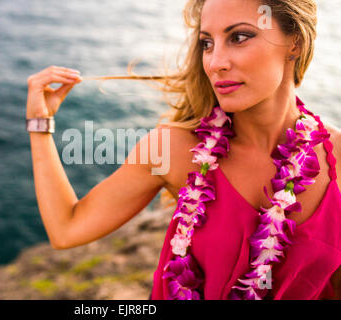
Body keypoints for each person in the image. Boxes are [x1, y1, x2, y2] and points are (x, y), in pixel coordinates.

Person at [25, 0, 341, 300]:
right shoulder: (176, 150)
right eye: (207, 43)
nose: (216, 62)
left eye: (239, 37)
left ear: (295, 43)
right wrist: (40, 124)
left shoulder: (336, 158)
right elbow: (66, 229)